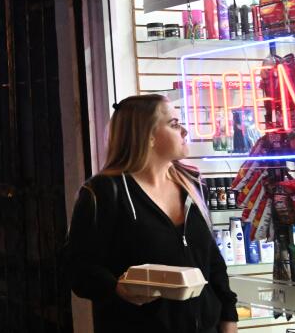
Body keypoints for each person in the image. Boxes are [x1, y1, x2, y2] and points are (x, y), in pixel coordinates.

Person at [64, 94, 238, 333]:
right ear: (149, 136)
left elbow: (212, 261)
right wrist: (117, 287)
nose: (185, 131)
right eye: (174, 124)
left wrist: (229, 318)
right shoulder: (103, 192)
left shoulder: (192, 184)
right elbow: (78, 268)